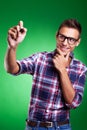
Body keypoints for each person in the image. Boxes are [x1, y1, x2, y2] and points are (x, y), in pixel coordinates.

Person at [4, 19, 87, 130]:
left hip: (62, 127)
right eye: (62, 37)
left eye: (71, 40)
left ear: (77, 42)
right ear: (56, 36)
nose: (65, 43)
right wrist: (12, 47)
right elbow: (12, 69)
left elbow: (73, 103)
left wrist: (62, 70)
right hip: (34, 126)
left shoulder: (80, 68)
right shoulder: (40, 59)